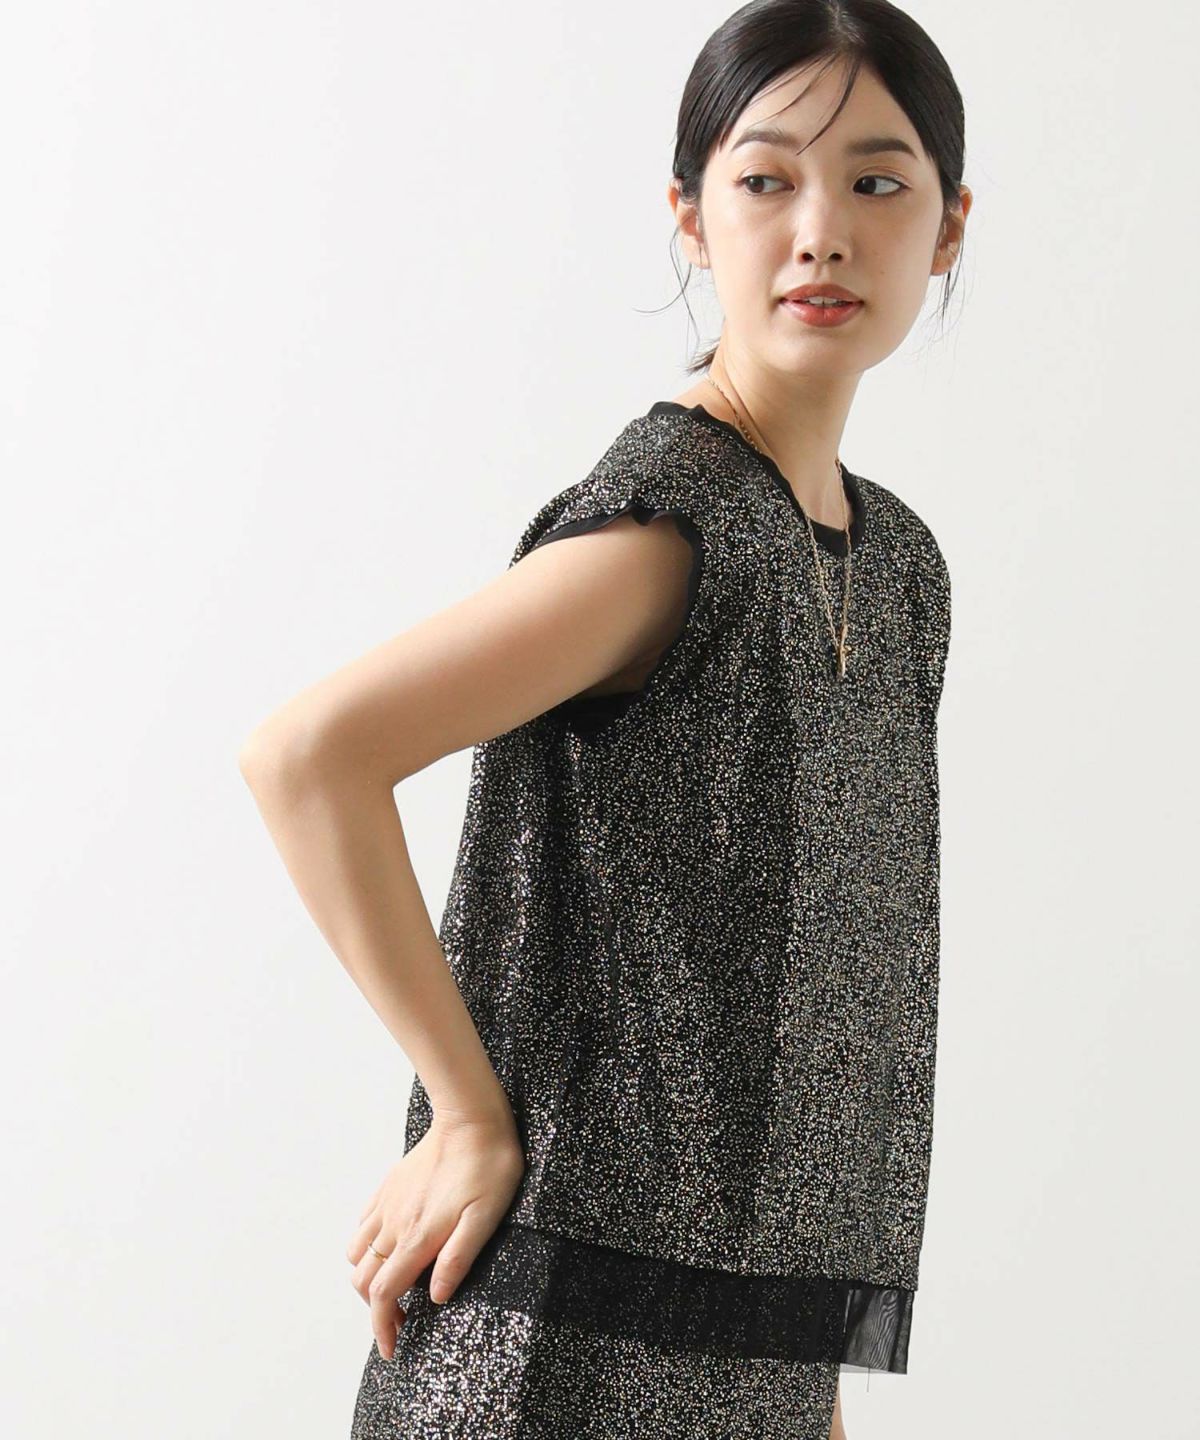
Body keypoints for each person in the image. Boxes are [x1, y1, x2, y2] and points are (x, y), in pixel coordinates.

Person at [240, 2, 971, 1436]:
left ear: (948, 229)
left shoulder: (897, 572)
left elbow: (819, 1008)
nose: (822, 232)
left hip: (740, 1353)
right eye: (766, 181)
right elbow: (310, 758)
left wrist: (801, 1382)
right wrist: (467, 1112)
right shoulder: (667, 535)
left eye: (878, 182)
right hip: (560, 1342)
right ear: (691, 217)